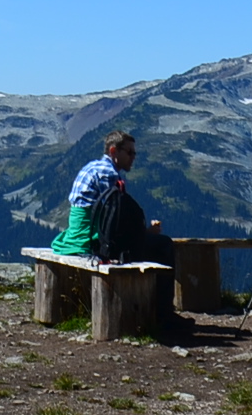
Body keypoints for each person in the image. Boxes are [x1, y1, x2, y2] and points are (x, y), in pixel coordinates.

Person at [51, 131, 190, 338]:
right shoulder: (109, 175)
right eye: (130, 152)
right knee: (163, 245)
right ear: (114, 151)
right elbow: (114, 225)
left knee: (150, 243)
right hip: (93, 240)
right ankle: (163, 315)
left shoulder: (92, 166)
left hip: (80, 234)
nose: (133, 157)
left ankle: (153, 309)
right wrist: (145, 232)